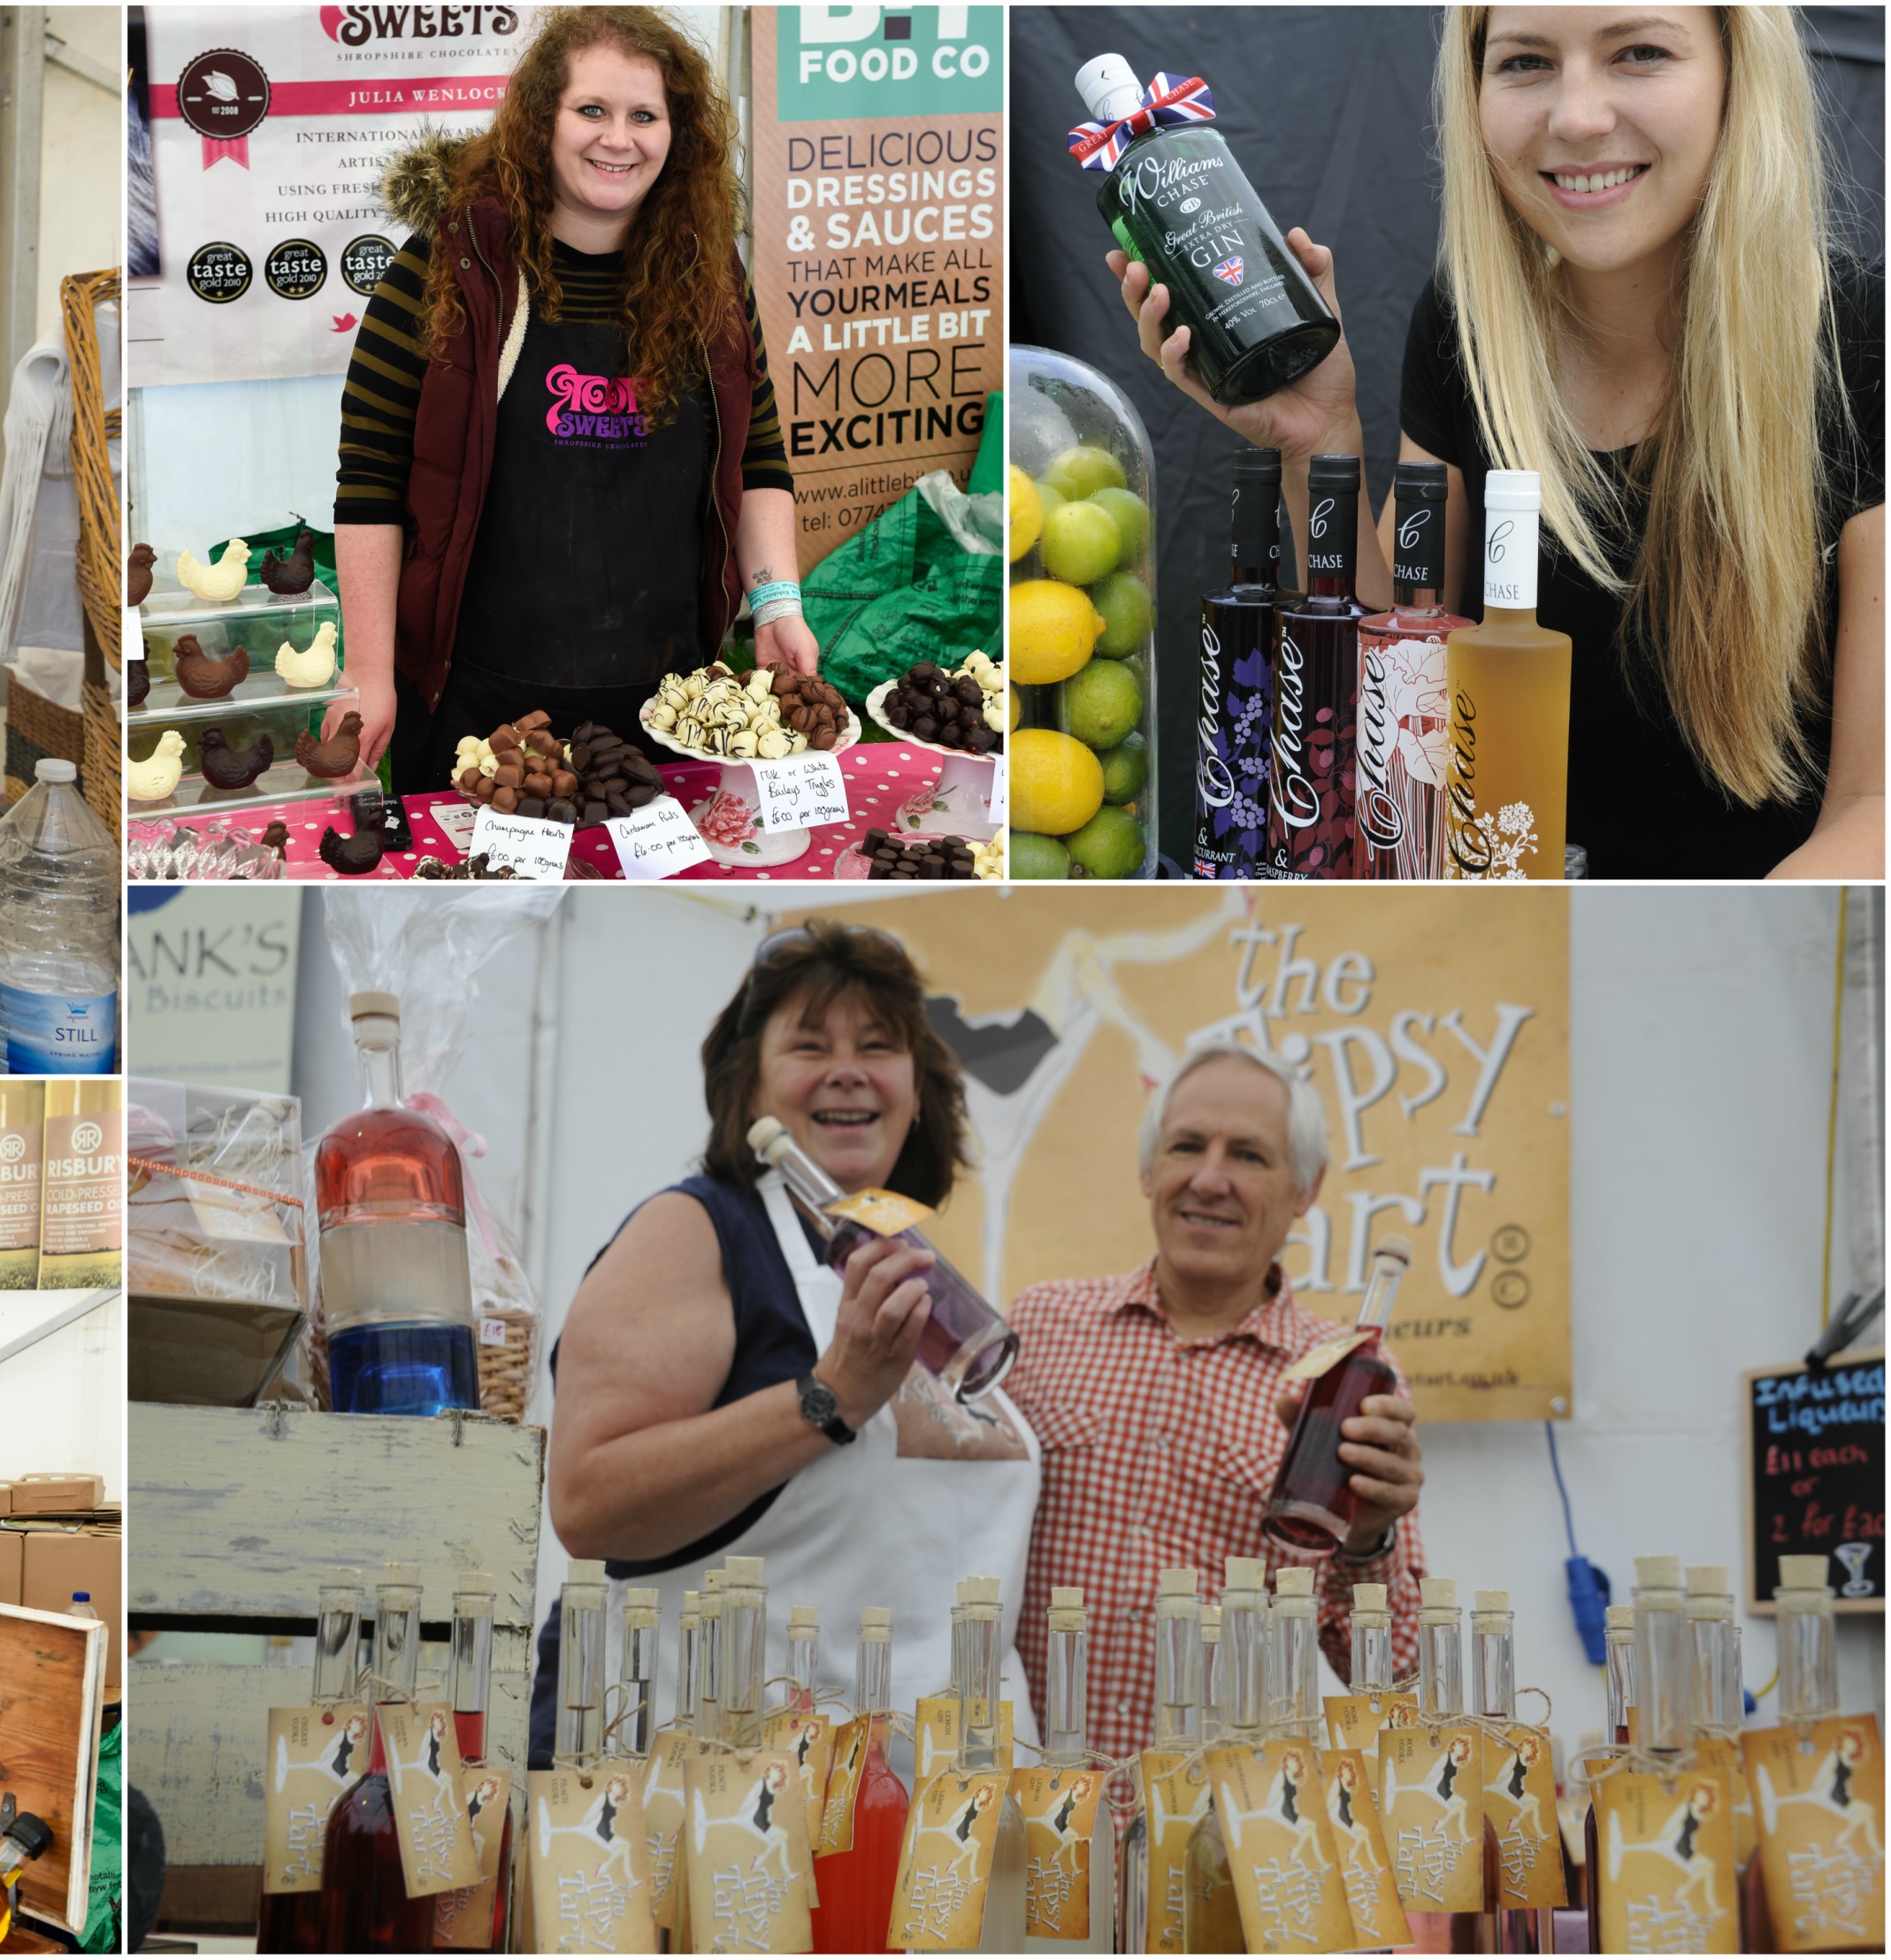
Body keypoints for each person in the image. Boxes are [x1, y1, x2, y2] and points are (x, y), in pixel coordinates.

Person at [1113, 5, 1880, 878]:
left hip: (1748, 971)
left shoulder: (1864, 342)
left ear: (1738, 75)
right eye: (1524, 63)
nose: (1577, 116)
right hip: (1494, 967)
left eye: (1638, 51)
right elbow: (1393, 721)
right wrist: (1316, 439)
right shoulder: (1468, 332)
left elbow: (1875, 809)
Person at [536, 920, 1040, 1760]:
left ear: (916, 1092)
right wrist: (830, 1397)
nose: (848, 1068)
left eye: (879, 1046)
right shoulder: (697, 1229)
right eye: (810, 1046)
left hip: (930, 1817)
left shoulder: (904, 1255)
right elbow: (589, 1506)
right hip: (710, 1798)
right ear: (751, 1090)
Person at [328, 4, 818, 795]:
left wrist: (777, 606)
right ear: (540, 122)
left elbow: (758, 454)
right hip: (476, 705)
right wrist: (367, 670)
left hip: (670, 704)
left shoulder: (709, 274)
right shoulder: (446, 268)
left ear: (677, 131)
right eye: (591, 109)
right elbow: (371, 481)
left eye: (643, 115)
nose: (617, 138)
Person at [1001, 1038, 1431, 1764]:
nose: (1209, 1178)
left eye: (1249, 1156)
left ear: (1306, 1187)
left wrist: (1369, 1538)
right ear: (1147, 1169)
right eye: (1187, 1146)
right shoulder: (1040, 1325)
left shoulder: (1346, 1378)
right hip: (1029, 1810)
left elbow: (1386, 1673)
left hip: (1214, 1830)